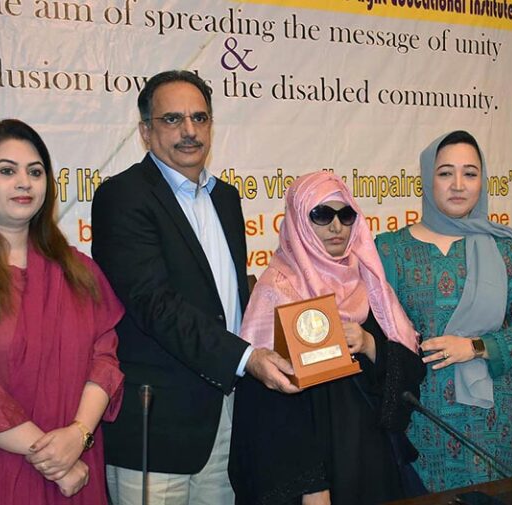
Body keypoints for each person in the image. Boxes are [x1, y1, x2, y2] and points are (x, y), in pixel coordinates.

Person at [91, 69, 297, 505]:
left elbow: (230, 302)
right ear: (146, 131)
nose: (189, 131)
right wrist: (246, 357)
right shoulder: (123, 197)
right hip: (157, 425)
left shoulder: (227, 198)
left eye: (200, 119)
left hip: (225, 414)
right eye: (172, 120)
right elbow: (154, 304)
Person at [0, 119, 124, 505]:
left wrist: (78, 435)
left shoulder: (78, 270)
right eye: (7, 171)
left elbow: (105, 359)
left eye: (35, 171)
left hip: (74, 463)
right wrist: (55, 460)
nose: (24, 182)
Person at [229, 171, 425, 505]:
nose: (337, 227)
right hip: (309, 469)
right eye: (321, 215)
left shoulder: (371, 284)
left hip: (370, 461)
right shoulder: (278, 289)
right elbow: (265, 401)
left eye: (345, 215)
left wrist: (370, 345)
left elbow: (410, 371)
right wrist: (312, 485)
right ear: (298, 222)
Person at [376, 130, 512, 492]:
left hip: (489, 425)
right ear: (426, 178)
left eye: (470, 173)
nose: (458, 184)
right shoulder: (390, 250)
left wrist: (476, 347)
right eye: (445, 173)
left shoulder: (505, 249)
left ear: (482, 181)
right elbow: (377, 334)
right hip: (418, 416)